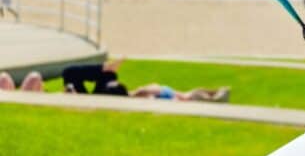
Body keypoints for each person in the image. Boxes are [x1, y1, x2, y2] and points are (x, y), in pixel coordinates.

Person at [61, 62, 230, 102]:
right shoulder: (174, 97)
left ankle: (104, 69)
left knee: (69, 73)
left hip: (110, 94)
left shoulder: (172, 98)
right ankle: (104, 69)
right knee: (70, 73)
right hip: (113, 92)